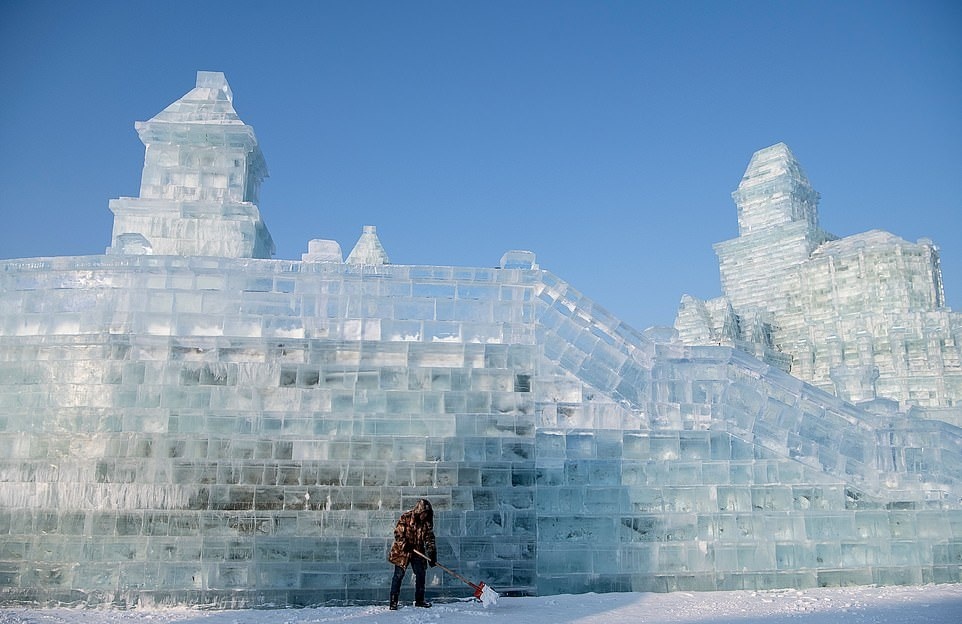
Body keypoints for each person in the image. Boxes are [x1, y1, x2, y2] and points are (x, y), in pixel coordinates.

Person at [388, 498, 437, 610]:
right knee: (398, 576)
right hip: (402, 552)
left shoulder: (427, 523)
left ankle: (419, 600)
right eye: (424, 513)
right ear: (419, 511)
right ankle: (393, 602)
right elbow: (398, 534)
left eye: (427, 513)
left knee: (421, 574)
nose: (425, 515)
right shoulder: (405, 517)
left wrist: (432, 554)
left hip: (417, 552)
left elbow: (430, 539)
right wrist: (406, 544)